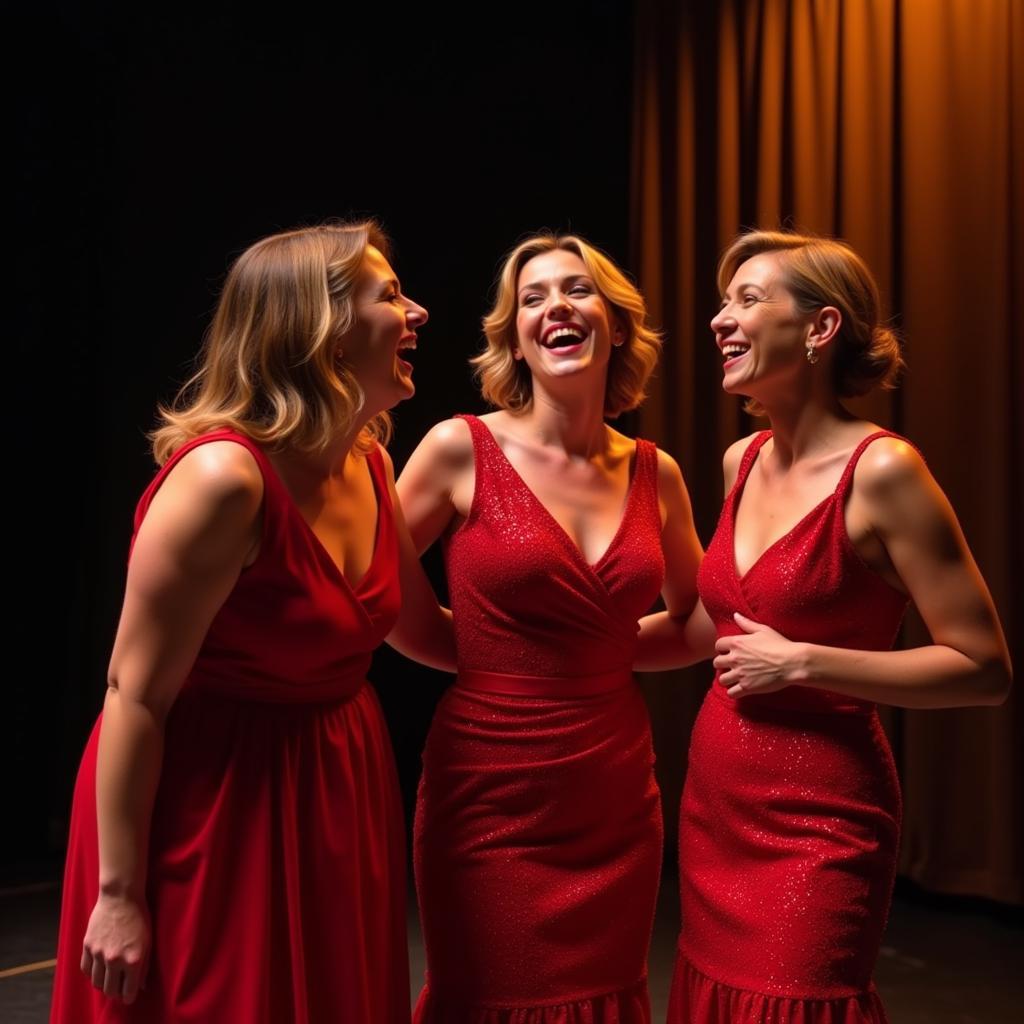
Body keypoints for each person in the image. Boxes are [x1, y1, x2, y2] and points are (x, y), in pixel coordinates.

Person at [50, 221, 453, 1024]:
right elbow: (133, 697)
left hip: (331, 787)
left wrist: (584, 658)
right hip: (214, 800)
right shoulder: (223, 481)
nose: (419, 313)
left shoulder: (369, 459)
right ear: (320, 326)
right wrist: (120, 894)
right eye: (390, 296)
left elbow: (422, 632)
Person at [663, 229, 1012, 1023]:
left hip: (821, 816)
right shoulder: (738, 461)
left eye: (748, 300)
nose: (721, 319)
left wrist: (805, 664)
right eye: (724, 301)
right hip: (718, 801)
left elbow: (984, 667)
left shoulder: (885, 472)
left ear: (820, 329)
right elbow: (708, 626)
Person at [397, 233, 704, 1022]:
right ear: (515, 339)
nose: (556, 307)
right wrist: (495, 664)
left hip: (612, 792)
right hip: (488, 791)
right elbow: (378, 595)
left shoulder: (654, 471)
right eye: (533, 298)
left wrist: (596, 659)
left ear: (616, 323)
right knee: (491, 993)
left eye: (576, 290)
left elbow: (699, 622)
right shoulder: (458, 448)